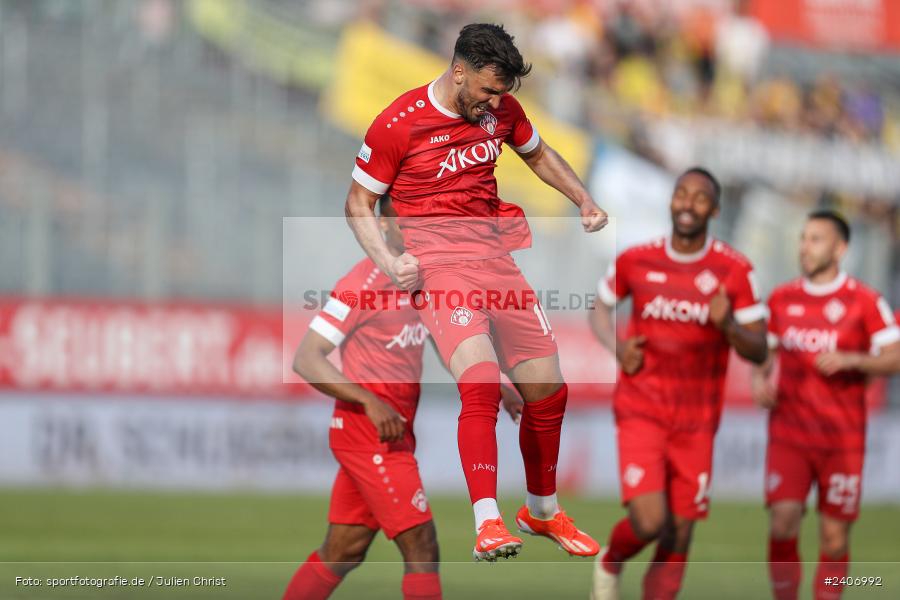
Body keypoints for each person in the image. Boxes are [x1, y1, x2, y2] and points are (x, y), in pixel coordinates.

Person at [344, 23, 608, 561]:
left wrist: (583, 198)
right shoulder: (399, 122)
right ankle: (486, 520)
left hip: (496, 258)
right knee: (482, 382)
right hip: (440, 267)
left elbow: (536, 153)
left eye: (502, 93)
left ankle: (541, 510)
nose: (494, 102)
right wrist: (388, 259)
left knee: (548, 391)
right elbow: (357, 203)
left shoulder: (501, 110)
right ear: (458, 70)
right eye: (488, 91)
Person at [284, 196, 522, 599]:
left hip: (395, 433)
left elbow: (447, 341)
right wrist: (369, 401)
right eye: (406, 221)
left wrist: (495, 383)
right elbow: (307, 359)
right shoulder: (361, 284)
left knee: (342, 552)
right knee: (422, 549)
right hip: (369, 434)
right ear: (384, 226)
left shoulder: (425, 279)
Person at [589, 168, 768, 599]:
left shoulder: (735, 269)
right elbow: (599, 311)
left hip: (697, 421)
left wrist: (727, 325)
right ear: (671, 201)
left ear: (715, 209)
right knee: (651, 522)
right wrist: (618, 348)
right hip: (642, 408)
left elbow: (760, 349)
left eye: (700, 198)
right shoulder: (637, 259)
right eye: (681, 195)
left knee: (679, 534)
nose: (688, 204)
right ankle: (611, 560)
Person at [751, 210, 900, 600]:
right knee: (783, 523)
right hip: (789, 434)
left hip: (842, 440)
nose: (805, 246)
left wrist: (854, 360)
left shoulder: (865, 301)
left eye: (816, 239)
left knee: (834, 538)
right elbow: (765, 353)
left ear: (840, 248)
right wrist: (758, 377)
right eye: (803, 237)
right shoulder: (782, 298)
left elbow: (895, 355)